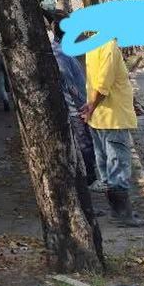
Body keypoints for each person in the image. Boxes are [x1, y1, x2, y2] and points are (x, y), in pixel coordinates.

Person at [80, 38, 139, 225]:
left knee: (106, 165)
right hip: (113, 118)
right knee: (118, 166)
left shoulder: (93, 45)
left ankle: (118, 212)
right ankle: (122, 215)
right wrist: (91, 106)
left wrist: (90, 106)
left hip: (99, 118)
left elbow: (94, 82)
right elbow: (102, 85)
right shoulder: (108, 45)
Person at [50, 16, 97, 186]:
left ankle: (91, 175)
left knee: (87, 141)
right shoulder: (59, 54)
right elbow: (70, 85)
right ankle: (91, 179)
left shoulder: (64, 50)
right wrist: (83, 106)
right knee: (84, 143)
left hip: (80, 104)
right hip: (76, 107)